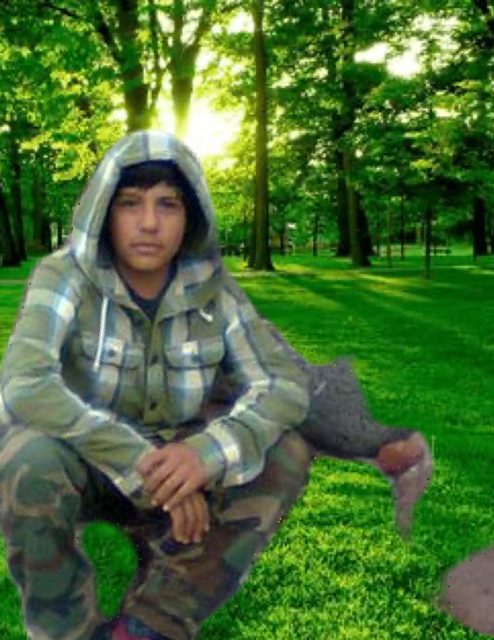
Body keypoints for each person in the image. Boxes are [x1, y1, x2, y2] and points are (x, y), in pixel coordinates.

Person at [0, 130, 432, 640]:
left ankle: (151, 625)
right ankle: (64, 630)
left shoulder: (216, 291)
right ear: (103, 213)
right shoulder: (64, 275)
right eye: (130, 203)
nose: (149, 223)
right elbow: (25, 384)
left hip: (180, 457)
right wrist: (141, 464)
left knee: (286, 450)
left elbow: (283, 383)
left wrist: (206, 455)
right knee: (25, 456)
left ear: (192, 217)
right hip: (86, 458)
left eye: (168, 204)